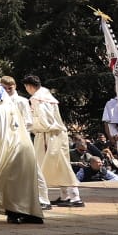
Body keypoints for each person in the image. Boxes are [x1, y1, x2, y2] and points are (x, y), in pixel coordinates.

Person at [0, 77, 44, 224]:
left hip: (14, 150)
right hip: (17, 148)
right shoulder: (3, 106)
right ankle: (20, 212)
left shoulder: (0, 108)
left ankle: (21, 211)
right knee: (15, 182)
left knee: (12, 181)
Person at [22, 75, 83, 207]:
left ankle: (75, 197)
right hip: (56, 134)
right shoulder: (47, 95)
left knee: (57, 165)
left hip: (47, 134)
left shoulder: (36, 99)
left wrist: (30, 126)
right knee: (59, 164)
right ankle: (65, 195)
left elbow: (44, 120)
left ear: (29, 86)